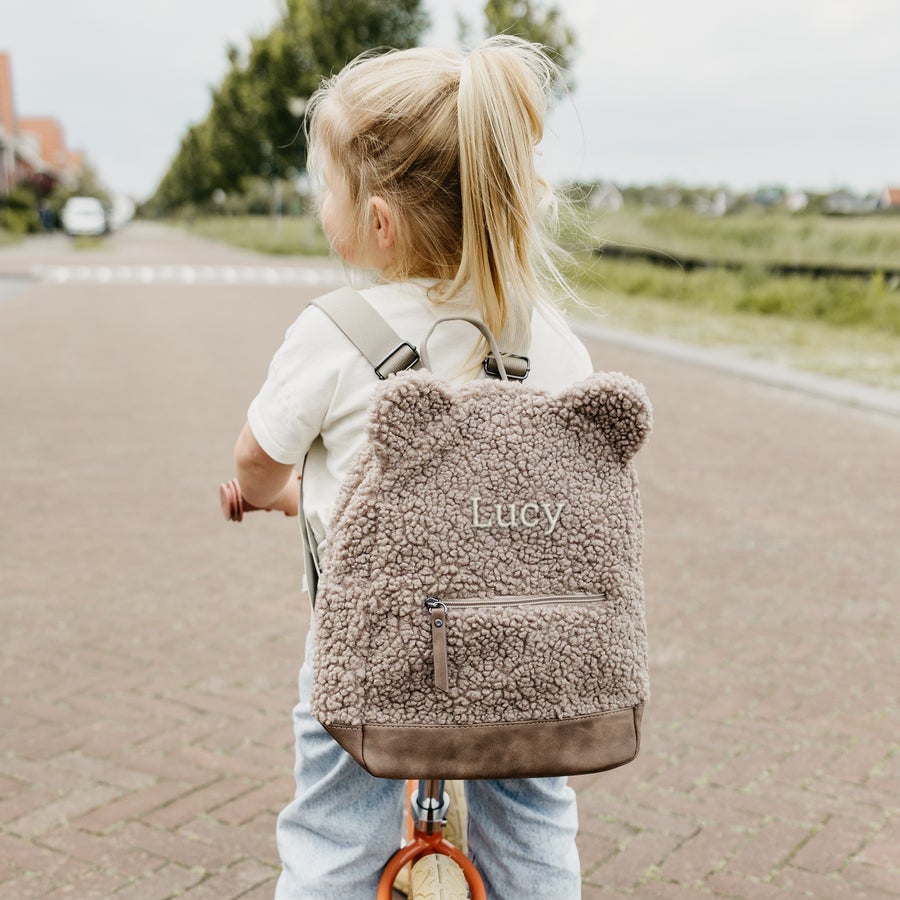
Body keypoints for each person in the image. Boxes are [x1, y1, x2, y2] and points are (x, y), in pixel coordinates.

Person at [233, 36, 591, 899]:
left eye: (327, 187)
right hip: (519, 648)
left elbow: (255, 461)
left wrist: (275, 495)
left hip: (370, 650)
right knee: (534, 818)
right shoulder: (553, 342)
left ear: (379, 222)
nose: (322, 202)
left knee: (333, 823)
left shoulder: (334, 328)